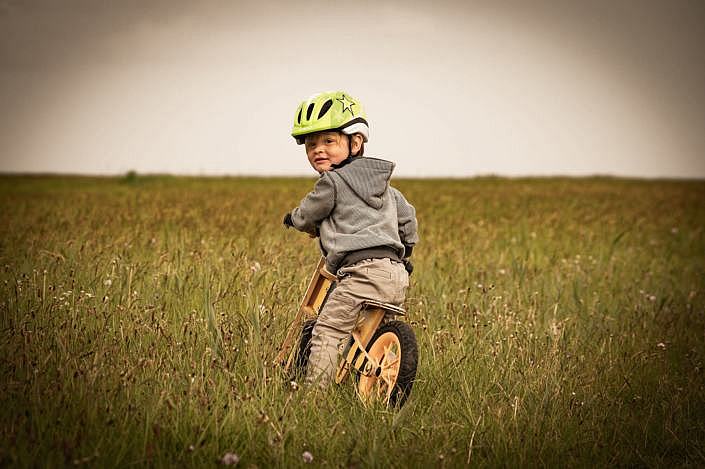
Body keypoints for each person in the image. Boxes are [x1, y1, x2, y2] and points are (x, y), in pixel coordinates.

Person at [283, 90, 419, 387]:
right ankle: (364, 377)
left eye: (329, 141)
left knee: (328, 329)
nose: (318, 149)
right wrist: (404, 251)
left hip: (361, 271)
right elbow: (409, 221)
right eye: (311, 144)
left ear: (355, 142)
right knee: (358, 327)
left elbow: (308, 214)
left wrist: (293, 219)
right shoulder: (387, 190)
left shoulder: (331, 182)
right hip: (396, 274)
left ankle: (312, 399)